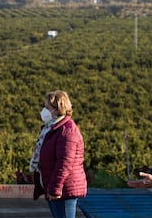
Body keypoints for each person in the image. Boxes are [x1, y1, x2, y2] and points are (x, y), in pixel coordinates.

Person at [29, 90, 87, 218]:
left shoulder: (67, 131)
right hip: (54, 186)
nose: (44, 111)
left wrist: (55, 188)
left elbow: (64, 163)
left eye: (47, 108)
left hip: (64, 189)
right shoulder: (52, 128)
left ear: (56, 109)